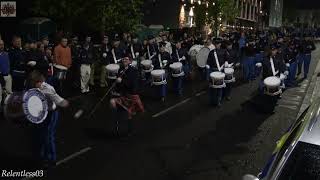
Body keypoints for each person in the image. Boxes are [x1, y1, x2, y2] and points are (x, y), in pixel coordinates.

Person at [26, 70, 69, 168]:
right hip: (40, 114)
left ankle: (51, 159)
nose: (31, 85)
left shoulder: (48, 89)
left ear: (39, 82)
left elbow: (60, 101)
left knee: (48, 136)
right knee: (39, 136)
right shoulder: (32, 87)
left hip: (51, 114)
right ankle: (41, 158)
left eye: (33, 83)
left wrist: (65, 103)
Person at [110, 54, 144, 135]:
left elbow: (133, 85)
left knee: (129, 114)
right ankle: (117, 122)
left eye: (126, 59)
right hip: (123, 94)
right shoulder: (121, 70)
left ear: (130, 61)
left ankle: (130, 129)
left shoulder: (134, 71)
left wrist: (121, 81)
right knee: (112, 102)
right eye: (123, 59)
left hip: (132, 95)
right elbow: (118, 83)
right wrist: (115, 89)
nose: (124, 60)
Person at [207, 38, 227, 107]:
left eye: (218, 44)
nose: (217, 45)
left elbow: (227, 58)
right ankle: (212, 101)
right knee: (212, 87)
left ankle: (218, 101)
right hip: (213, 70)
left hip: (220, 71)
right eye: (216, 44)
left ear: (220, 44)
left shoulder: (224, 51)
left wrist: (227, 62)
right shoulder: (211, 52)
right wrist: (207, 65)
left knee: (220, 87)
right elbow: (208, 61)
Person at [0, 39, 12, 104]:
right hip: (0, 77)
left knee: (8, 96)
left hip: (8, 76)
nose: (2, 46)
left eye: (2, 44)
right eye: (0, 45)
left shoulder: (7, 54)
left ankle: (7, 112)